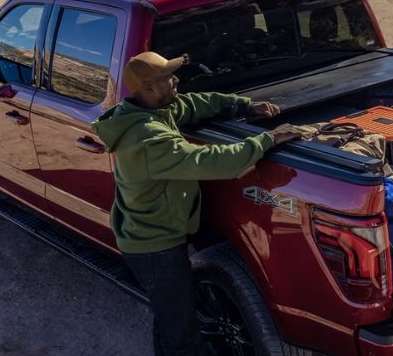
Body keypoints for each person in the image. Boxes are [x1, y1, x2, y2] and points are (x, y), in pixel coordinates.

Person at [91, 51, 301, 355]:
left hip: (157, 232)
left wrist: (242, 105)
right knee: (182, 335)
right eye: (168, 78)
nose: (176, 81)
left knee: (171, 315)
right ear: (148, 88)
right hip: (154, 247)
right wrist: (268, 140)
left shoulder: (150, 109)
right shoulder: (147, 138)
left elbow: (192, 104)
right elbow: (210, 161)